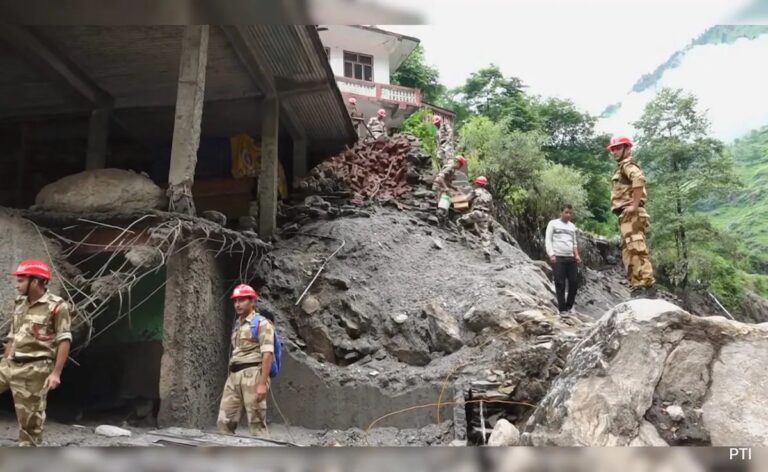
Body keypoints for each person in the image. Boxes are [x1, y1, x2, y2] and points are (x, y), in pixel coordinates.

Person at [1, 260, 72, 447]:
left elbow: (64, 339)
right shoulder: (20, 302)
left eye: (21, 281)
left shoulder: (56, 306)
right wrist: (6, 358)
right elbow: (13, 334)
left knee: (30, 427)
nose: (16, 285)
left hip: (34, 370)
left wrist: (56, 373)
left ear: (35, 282)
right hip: (9, 364)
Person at [217, 284, 275, 436]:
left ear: (253, 301)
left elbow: (268, 353)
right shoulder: (238, 325)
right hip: (234, 376)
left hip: (253, 375)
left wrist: (262, 384)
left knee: (257, 425)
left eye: (242, 300)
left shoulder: (262, 323)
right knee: (224, 422)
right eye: (235, 301)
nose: (237, 304)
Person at [607, 136, 657, 298]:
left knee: (636, 247)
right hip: (626, 215)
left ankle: (647, 285)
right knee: (629, 251)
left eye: (618, 148)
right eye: (613, 149)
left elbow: (639, 178)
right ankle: (637, 286)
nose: (615, 151)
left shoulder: (627, 165)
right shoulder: (622, 167)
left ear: (628, 148)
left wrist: (634, 205)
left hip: (632, 213)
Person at [545, 205, 582, 313]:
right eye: (566, 212)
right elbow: (548, 240)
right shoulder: (553, 224)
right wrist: (551, 254)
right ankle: (562, 309)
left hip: (571, 258)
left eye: (570, 213)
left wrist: (577, 255)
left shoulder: (572, 226)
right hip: (558, 257)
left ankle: (569, 306)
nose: (568, 215)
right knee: (560, 283)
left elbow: (574, 243)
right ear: (561, 212)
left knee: (574, 282)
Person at [458, 176, 495, 262]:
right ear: (485, 185)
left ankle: (463, 239)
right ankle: (487, 254)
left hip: (476, 213)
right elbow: (492, 208)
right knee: (484, 235)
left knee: (459, 222)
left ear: (477, 183)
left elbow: (466, 199)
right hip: (485, 215)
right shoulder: (489, 195)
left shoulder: (476, 191)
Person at [433, 155, 466, 227]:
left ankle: (445, 219)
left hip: (442, 187)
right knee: (444, 202)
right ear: (457, 162)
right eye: (460, 165)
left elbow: (447, 181)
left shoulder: (453, 170)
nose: (460, 167)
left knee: (450, 199)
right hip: (438, 187)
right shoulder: (449, 168)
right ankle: (440, 220)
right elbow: (440, 177)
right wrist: (446, 188)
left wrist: (454, 188)